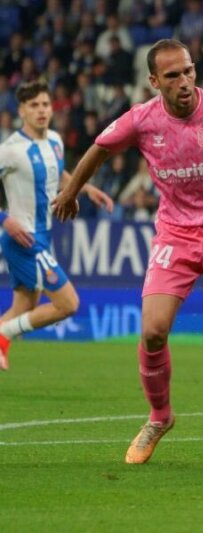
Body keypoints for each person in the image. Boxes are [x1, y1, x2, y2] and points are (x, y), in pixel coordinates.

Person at [51, 39, 203, 469]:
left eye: (188, 71)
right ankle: (159, 418)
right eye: (172, 76)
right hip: (176, 235)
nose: (184, 82)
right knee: (153, 332)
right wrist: (70, 192)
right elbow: (99, 149)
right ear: (153, 82)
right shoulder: (141, 120)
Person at [0, 80, 113, 371]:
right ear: (21, 111)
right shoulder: (10, 150)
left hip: (43, 235)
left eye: (46, 104)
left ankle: (4, 332)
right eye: (34, 105)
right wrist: (5, 219)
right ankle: (3, 335)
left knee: (22, 308)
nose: (41, 110)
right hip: (23, 238)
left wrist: (85, 189)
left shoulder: (54, 140)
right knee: (68, 304)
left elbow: (57, 172)